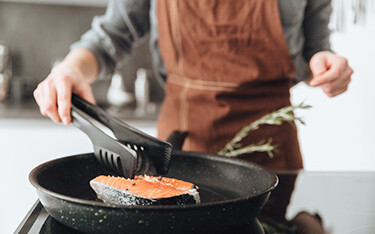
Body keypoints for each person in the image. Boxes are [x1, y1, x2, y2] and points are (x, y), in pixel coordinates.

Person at [33, 0, 353, 170]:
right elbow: (110, 37)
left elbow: (315, 47)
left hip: (273, 152)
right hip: (180, 152)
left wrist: (325, 64)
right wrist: (70, 69)